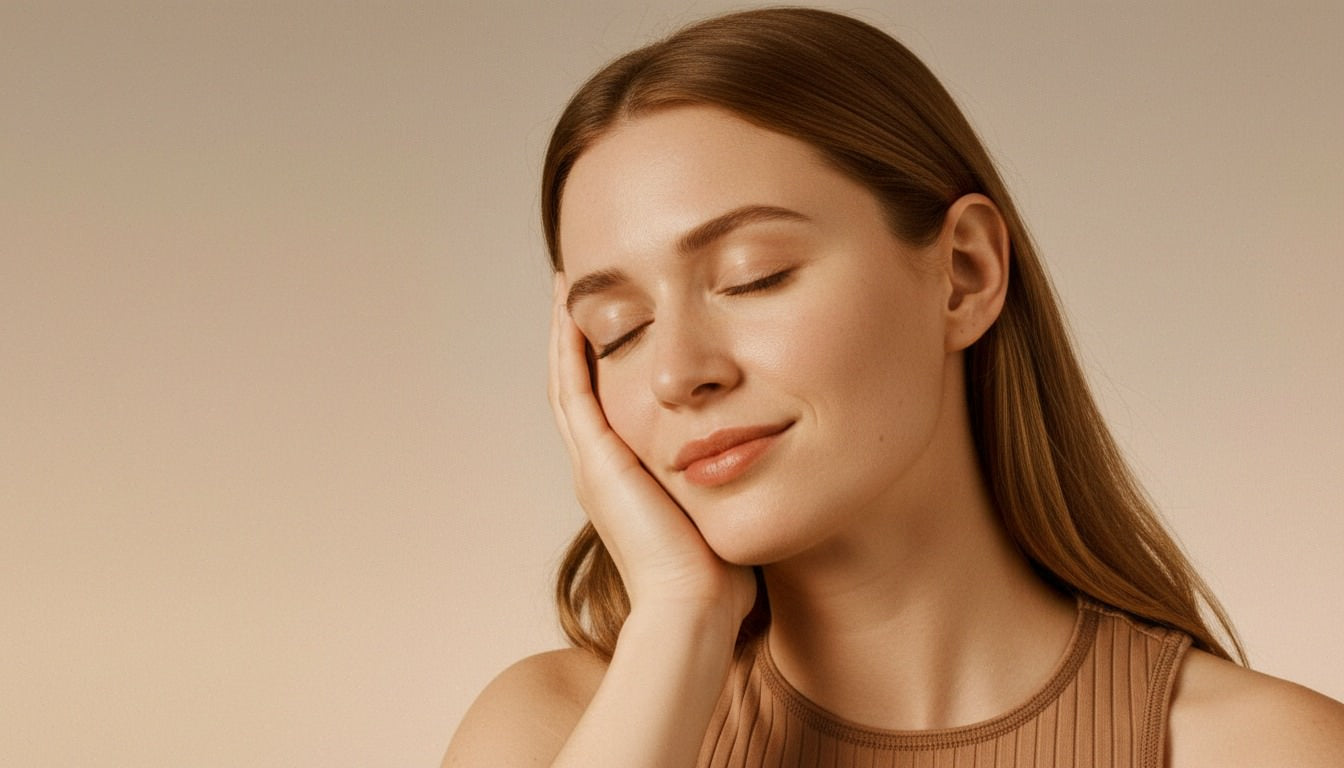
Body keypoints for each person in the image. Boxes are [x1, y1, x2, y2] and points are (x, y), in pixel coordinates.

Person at [444, 7, 1344, 767]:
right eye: (619, 332)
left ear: (963, 272)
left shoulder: (1263, 749)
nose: (679, 373)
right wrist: (678, 620)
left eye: (753, 276)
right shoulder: (554, 731)